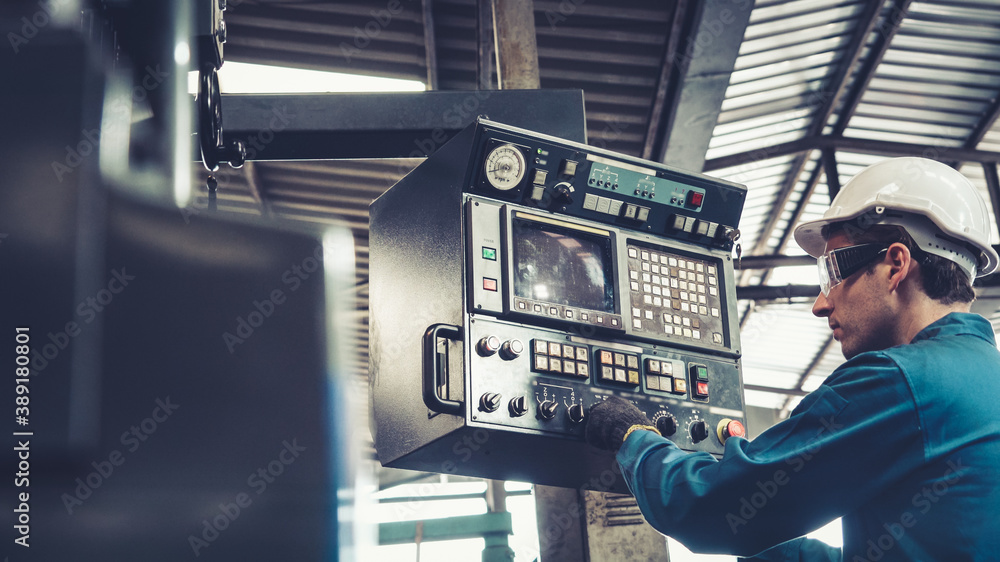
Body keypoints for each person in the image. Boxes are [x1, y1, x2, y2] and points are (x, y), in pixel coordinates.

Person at [585, 157, 1000, 560]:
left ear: (895, 265)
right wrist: (778, 548)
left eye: (832, 272)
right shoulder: (981, 381)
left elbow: (711, 510)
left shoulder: (902, 380)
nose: (821, 304)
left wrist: (635, 438)